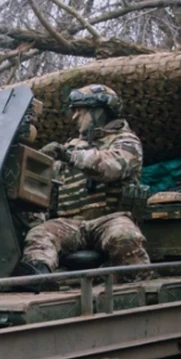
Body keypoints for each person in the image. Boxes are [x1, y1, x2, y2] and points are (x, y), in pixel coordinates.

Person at [14, 84, 149, 286]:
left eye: (80, 109)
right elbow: (46, 183)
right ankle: (39, 277)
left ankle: (136, 282)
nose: (74, 116)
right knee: (40, 234)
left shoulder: (126, 141)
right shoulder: (72, 146)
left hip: (110, 219)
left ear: (99, 109)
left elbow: (110, 166)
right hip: (73, 224)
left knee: (124, 235)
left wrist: (68, 155)